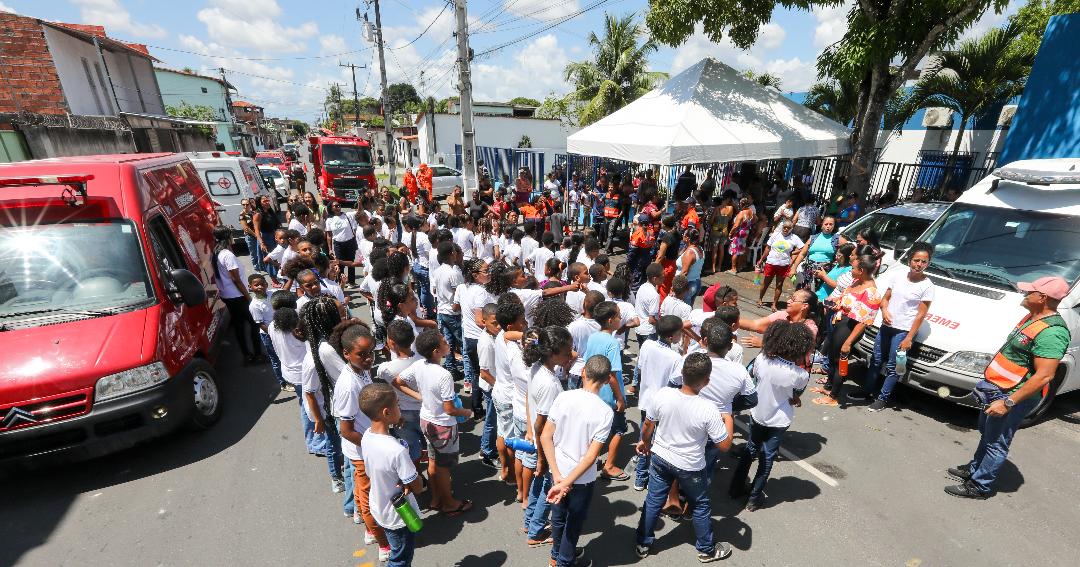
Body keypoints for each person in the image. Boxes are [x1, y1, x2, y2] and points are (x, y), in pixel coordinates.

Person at [945, 276, 1071, 499]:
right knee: (988, 434)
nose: (1024, 294)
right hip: (997, 388)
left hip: (1011, 395)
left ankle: (980, 485)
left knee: (997, 442)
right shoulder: (1033, 317)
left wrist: (1008, 402)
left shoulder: (1053, 332)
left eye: (1029, 291)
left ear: (1042, 297)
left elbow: (1044, 376)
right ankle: (975, 469)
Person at [634, 352, 733, 562]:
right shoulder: (709, 409)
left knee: (653, 500)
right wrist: (729, 420)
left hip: (660, 457)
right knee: (701, 504)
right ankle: (706, 549)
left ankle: (643, 542)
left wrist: (645, 442)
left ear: (682, 373)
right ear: (706, 381)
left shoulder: (663, 394)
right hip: (689, 465)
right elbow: (724, 445)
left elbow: (647, 425)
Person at [729, 321, 813, 511]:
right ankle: (754, 497)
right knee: (767, 458)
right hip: (780, 420)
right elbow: (795, 394)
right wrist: (794, 400)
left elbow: (755, 377)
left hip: (758, 413)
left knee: (750, 450)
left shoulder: (762, 360)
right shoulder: (800, 374)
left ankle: (735, 488)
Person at [540, 355, 615, 567]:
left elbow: (546, 436)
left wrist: (558, 477)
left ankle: (556, 554)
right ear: (607, 380)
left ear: (583, 372)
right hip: (582, 477)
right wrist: (567, 483)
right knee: (574, 520)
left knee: (558, 516)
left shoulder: (564, 397)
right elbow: (591, 457)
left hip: (558, 468)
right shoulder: (605, 412)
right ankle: (564, 560)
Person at [332, 322, 391, 562]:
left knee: (361, 490)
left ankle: (369, 529)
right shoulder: (347, 386)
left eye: (371, 353)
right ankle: (382, 541)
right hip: (361, 450)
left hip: (367, 444)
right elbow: (345, 429)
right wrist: (373, 445)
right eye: (362, 354)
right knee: (369, 500)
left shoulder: (361, 371)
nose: (368, 359)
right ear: (346, 354)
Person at [853, 242, 935, 410]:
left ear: (928, 263)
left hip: (903, 331)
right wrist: (884, 311)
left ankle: (882, 399)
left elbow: (921, 314)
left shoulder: (927, 286)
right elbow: (886, 298)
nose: (919, 264)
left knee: (893, 366)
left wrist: (909, 338)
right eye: (916, 260)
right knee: (875, 360)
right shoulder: (897, 276)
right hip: (885, 327)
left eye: (923, 262)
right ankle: (867, 391)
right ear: (910, 260)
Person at [403, 329, 473, 515]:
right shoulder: (444, 375)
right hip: (443, 425)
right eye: (444, 342)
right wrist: (466, 412)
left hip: (426, 420)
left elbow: (398, 381)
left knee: (433, 460)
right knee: (443, 467)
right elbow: (449, 409)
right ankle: (449, 503)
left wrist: (420, 396)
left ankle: (435, 499)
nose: (447, 343)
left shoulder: (419, 365)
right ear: (436, 351)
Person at [359, 382, 424, 567]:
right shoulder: (396, 451)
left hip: (380, 506)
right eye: (397, 404)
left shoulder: (366, 436)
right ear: (387, 412)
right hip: (398, 516)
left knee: (397, 552)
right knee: (400, 559)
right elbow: (418, 487)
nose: (400, 407)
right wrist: (411, 480)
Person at [521, 326, 572, 546]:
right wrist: (542, 458)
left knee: (538, 484)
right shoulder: (550, 384)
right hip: (548, 445)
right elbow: (542, 425)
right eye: (566, 351)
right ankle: (535, 531)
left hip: (540, 442)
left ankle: (529, 521)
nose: (570, 354)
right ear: (552, 353)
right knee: (547, 489)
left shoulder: (537, 368)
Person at [813, 255, 881, 406]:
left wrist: (848, 342)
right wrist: (838, 303)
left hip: (850, 328)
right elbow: (845, 298)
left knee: (839, 361)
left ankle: (833, 396)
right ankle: (829, 387)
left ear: (862, 270)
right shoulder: (857, 281)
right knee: (831, 357)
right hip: (840, 321)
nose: (851, 270)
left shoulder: (872, 293)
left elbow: (863, 322)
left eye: (854, 268)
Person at [299, 296, 347, 496]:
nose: (342, 316)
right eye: (338, 314)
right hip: (325, 409)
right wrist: (318, 419)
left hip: (335, 405)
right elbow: (309, 393)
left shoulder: (330, 343)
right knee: (333, 444)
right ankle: (336, 477)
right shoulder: (318, 354)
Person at [632, 315, 685, 491]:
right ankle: (648, 477)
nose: (681, 336)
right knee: (656, 442)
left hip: (645, 400)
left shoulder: (647, 345)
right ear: (671, 337)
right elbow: (676, 383)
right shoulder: (675, 357)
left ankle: (640, 477)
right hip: (662, 406)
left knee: (643, 438)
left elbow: (638, 369)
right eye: (680, 333)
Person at [582, 301, 629, 481]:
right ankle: (609, 466)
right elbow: (612, 375)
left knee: (593, 430)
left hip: (592, 391)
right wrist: (620, 398)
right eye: (618, 316)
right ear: (610, 320)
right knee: (618, 429)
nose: (620, 318)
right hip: (608, 396)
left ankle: (590, 460)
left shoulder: (593, 337)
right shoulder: (612, 343)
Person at [377, 320, 425, 473]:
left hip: (402, 413)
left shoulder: (386, 368)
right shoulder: (423, 360)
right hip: (425, 410)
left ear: (391, 342)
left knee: (410, 449)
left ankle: (416, 478)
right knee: (430, 446)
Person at [212, 226, 262, 364]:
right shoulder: (228, 255)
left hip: (228, 296)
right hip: (237, 296)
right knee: (254, 323)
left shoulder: (217, 252)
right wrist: (248, 297)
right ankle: (258, 354)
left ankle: (247, 355)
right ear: (228, 237)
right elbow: (236, 279)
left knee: (239, 326)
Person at [247, 273, 287, 391]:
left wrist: (291, 277)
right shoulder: (254, 305)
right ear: (250, 287)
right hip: (268, 335)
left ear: (266, 284)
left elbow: (284, 290)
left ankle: (288, 377)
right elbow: (260, 324)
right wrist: (273, 334)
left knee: (283, 356)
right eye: (256, 285)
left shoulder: (272, 293)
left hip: (280, 330)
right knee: (275, 359)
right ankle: (283, 383)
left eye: (262, 284)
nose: (260, 287)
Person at [431, 241, 465, 378]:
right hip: (453, 312)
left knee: (448, 341)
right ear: (452, 253)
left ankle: (451, 368)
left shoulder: (438, 271)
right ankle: (469, 372)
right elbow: (459, 295)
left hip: (442, 310)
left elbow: (435, 289)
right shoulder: (453, 273)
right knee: (463, 342)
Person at [755, 221, 805, 310]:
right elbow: (768, 247)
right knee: (766, 282)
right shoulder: (775, 235)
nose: (786, 229)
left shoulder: (794, 238)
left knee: (779, 285)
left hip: (784, 264)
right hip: (771, 262)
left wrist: (792, 252)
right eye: (784, 227)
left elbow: (803, 248)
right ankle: (760, 299)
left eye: (788, 228)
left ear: (791, 229)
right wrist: (761, 259)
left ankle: (774, 304)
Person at [325, 201, 360, 286]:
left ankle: (352, 282)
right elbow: (329, 235)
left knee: (351, 262)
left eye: (339, 205)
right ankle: (341, 282)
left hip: (350, 242)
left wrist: (359, 202)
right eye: (335, 206)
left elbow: (359, 211)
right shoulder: (329, 220)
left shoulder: (347, 215)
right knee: (339, 264)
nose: (338, 207)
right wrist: (330, 249)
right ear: (331, 208)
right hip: (338, 244)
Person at [675, 227, 705, 304]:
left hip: (687, 285)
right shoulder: (700, 248)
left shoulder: (690, 252)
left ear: (688, 238)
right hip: (696, 281)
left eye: (683, 235)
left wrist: (675, 287)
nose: (682, 236)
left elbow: (684, 272)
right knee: (688, 309)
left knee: (683, 312)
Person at [727, 198, 754, 274]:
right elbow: (755, 219)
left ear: (742, 204)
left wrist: (730, 233)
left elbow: (736, 226)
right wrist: (748, 225)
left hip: (739, 233)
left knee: (735, 251)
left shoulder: (742, 213)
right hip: (746, 232)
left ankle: (733, 269)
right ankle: (739, 266)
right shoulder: (751, 211)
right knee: (741, 249)